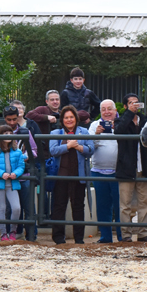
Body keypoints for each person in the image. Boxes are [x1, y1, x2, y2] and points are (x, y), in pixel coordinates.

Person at [48, 105, 94, 244]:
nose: (69, 120)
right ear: (62, 119)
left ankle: (79, 239)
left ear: (76, 118)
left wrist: (78, 146)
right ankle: (58, 239)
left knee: (79, 207)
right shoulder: (55, 133)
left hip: (78, 176)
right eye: (66, 117)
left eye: (71, 117)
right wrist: (68, 146)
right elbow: (53, 151)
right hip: (60, 176)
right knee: (59, 207)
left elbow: (90, 149)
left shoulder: (84, 132)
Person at [115, 93, 147, 243]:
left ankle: (144, 234)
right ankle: (126, 235)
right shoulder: (121, 120)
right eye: (131, 103)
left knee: (145, 202)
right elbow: (118, 132)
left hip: (142, 167)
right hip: (126, 168)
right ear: (125, 106)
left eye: (137, 103)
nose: (135, 105)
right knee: (125, 204)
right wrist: (129, 114)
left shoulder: (145, 120)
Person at [88, 99, 123, 243]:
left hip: (119, 172)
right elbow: (88, 147)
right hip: (98, 171)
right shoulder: (94, 125)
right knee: (102, 206)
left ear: (115, 110)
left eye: (109, 109)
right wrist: (96, 134)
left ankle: (123, 237)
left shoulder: (123, 123)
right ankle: (105, 237)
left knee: (120, 206)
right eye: (103, 109)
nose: (107, 112)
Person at [4, 104, 38, 241]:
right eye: (9, 120)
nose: (12, 123)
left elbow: (35, 150)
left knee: (29, 207)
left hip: (24, 175)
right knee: (9, 208)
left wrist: (27, 155)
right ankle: (8, 234)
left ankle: (31, 236)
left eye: (14, 119)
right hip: (8, 177)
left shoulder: (25, 131)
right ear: (4, 119)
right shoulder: (0, 133)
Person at [0, 124, 26, 241]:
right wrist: (1, 173)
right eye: (5, 133)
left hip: (12, 184)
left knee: (16, 208)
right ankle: (3, 233)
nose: (8, 135)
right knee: (1, 208)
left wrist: (16, 173)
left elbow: (21, 166)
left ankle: (13, 231)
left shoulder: (17, 151)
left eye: (10, 133)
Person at [27, 90, 61, 165]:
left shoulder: (62, 113)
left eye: (57, 99)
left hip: (58, 151)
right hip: (43, 152)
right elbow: (29, 115)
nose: (55, 102)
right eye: (52, 100)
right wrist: (46, 117)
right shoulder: (42, 109)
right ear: (47, 101)